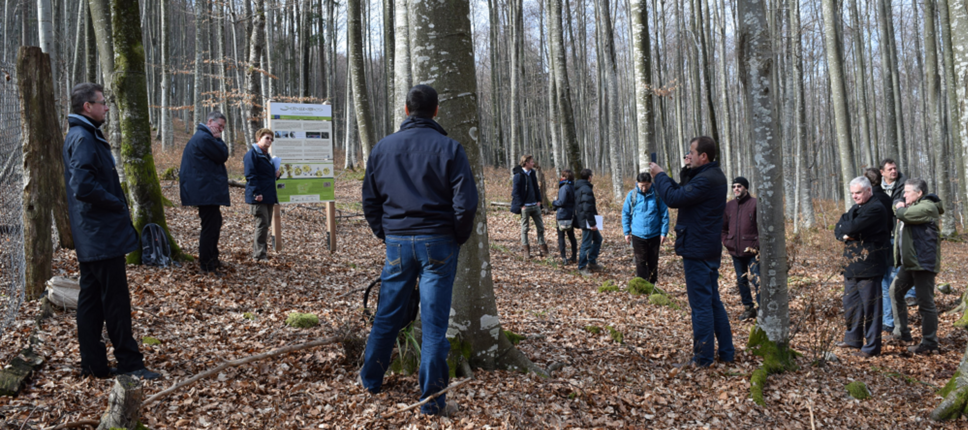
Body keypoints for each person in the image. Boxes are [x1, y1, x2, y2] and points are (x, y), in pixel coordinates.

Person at [360, 85, 478, 416]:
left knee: (387, 314)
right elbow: (466, 203)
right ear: (436, 110)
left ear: (407, 109)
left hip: (399, 240)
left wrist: (385, 232)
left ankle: (370, 380)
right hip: (437, 242)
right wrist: (457, 235)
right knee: (434, 323)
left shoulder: (383, 148)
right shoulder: (450, 148)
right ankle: (431, 402)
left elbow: (369, 199)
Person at [62, 83, 160, 380]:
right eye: (102, 103)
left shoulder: (84, 134)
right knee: (115, 300)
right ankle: (130, 364)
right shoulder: (83, 137)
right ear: (86, 107)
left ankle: (94, 365)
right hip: (100, 234)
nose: (107, 107)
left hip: (94, 234)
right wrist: (116, 202)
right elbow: (83, 186)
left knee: (91, 301)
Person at [650, 136, 734, 367]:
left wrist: (660, 175)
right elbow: (687, 192)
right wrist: (686, 170)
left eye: (692, 152)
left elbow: (675, 198)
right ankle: (726, 352)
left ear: (703, 156)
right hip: (705, 248)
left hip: (698, 249)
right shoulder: (711, 176)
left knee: (701, 306)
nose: (689, 155)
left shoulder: (708, 179)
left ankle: (703, 358)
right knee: (713, 302)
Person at [834, 177, 890, 358]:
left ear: (868, 191)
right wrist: (845, 233)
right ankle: (852, 339)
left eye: (858, 193)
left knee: (871, 308)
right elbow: (840, 226)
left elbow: (852, 226)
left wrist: (848, 230)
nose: (854, 197)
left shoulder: (876, 208)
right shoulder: (856, 208)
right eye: (852, 193)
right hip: (851, 265)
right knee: (851, 304)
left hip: (869, 266)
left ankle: (872, 347)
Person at [890, 178, 943, 355]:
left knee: (925, 303)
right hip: (911, 263)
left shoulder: (927, 207)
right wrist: (899, 206)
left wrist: (899, 206)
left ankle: (930, 342)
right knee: (895, 291)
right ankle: (902, 332)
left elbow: (902, 214)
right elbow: (899, 211)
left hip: (923, 263)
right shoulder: (912, 207)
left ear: (919, 193)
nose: (904, 195)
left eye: (907, 192)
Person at [179, 111, 230, 275]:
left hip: (205, 190)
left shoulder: (203, 137)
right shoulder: (204, 138)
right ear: (210, 122)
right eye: (219, 126)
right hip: (205, 191)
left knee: (214, 224)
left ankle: (212, 259)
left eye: (223, 128)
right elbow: (223, 155)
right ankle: (207, 264)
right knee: (210, 227)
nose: (220, 130)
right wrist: (219, 139)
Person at [879, 159, 917, 314]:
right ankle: (893, 299)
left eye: (895, 168)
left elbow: (903, 199)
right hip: (884, 232)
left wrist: (901, 204)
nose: (893, 171)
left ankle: (910, 294)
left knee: (904, 262)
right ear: (882, 172)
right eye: (890, 169)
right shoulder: (877, 186)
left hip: (901, 229)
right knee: (890, 267)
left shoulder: (904, 183)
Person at [722, 176, 760, 321]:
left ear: (746, 188)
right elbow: (723, 228)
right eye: (734, 186)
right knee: (741, 280)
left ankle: (762, 309)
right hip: (735, 251)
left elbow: (762, 229)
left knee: (757, 280)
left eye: (739, 186)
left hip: (752, 251)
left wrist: (756, 245)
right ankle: (748, 308)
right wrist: (727, 242)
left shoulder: (755, 204)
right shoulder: (729, 206)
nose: (736, 189)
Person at [622, 172, 669, 284]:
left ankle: (652, 284)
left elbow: (664, 214)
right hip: (638, 235)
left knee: (653, 262)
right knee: (640, 261)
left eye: (646, 185)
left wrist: (664, 232)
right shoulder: (632, 195)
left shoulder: (657, 195)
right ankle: (643, 285)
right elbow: (625, 213)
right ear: (637, 183)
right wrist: (626, 232)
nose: (643, 188)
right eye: (641, 185)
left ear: (651, 183)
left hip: (654, 234)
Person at [244, 129, 281, 260]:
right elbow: (250, 175)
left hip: (269, 195)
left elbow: (266, 176)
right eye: (267, 138)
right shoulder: (252, 154)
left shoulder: (267, 156)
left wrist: (277, 175)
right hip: (259, 196)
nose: (269, 141)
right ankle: (259, 255)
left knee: (265, 224)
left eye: (271, 139)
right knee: (262, 224)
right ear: (259, 138)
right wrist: (256, 192)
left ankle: (261, 253)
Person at [510, 155, 548, 259]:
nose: (533, 163)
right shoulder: (518, 175)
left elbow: (536, 187)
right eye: (531, 162)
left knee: (541, 228)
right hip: (525, 207)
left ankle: (544, 251)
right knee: (525, 229)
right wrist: (521, 205)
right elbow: (515, 193)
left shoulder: (532, 173)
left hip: (535, 206)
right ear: (526, 163)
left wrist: (539, 201)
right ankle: (526, 253)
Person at [575, 169, 603, 276]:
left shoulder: (580, 187)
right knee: (586, 244)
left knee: (598, 239)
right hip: (587, 221)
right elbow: (587, 208)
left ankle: (592, 262)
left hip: (586, 219)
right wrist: (592, 224)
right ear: (589, 177)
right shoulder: (586, 189)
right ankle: (582, 267)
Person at [552, 169, 578, 265]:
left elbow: (561, 202)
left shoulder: (564, 187)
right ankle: (574, 256)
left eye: (562, 176)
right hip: (571, 215)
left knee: (561, 237)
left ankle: (564, 258)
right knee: (571, 236)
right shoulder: (573, 187)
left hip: (563, 215)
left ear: (564, 177)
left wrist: (554, 202)